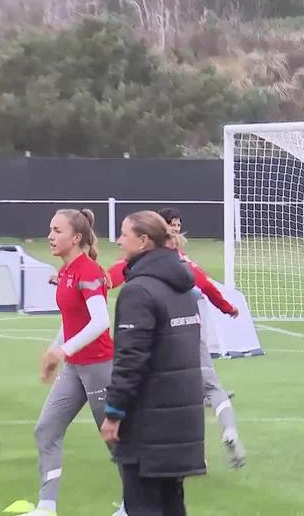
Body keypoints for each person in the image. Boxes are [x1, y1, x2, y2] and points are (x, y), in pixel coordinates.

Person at [5, 209, 115, 516]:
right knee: (46, 429)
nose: (50, 236)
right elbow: (71, 322)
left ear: (76, 238)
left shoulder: (88, 272)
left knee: (115, 438)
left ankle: (138, 504)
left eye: (57, 230)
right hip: (75, 369)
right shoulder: (66, 271)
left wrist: (64, 351)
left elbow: (100, 321)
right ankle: (47, 506)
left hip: (98, 368)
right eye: (50, 230)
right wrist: (55, 350)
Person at [101, 211, 205, 516]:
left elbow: (131, 359)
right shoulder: (183, 285)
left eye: (124, 234)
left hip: (149, 421)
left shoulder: (138, 290)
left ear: (144, 241)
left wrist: (114, 412)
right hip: (181, 418)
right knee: (172, 503)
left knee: (144, 505)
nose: (119, 241)